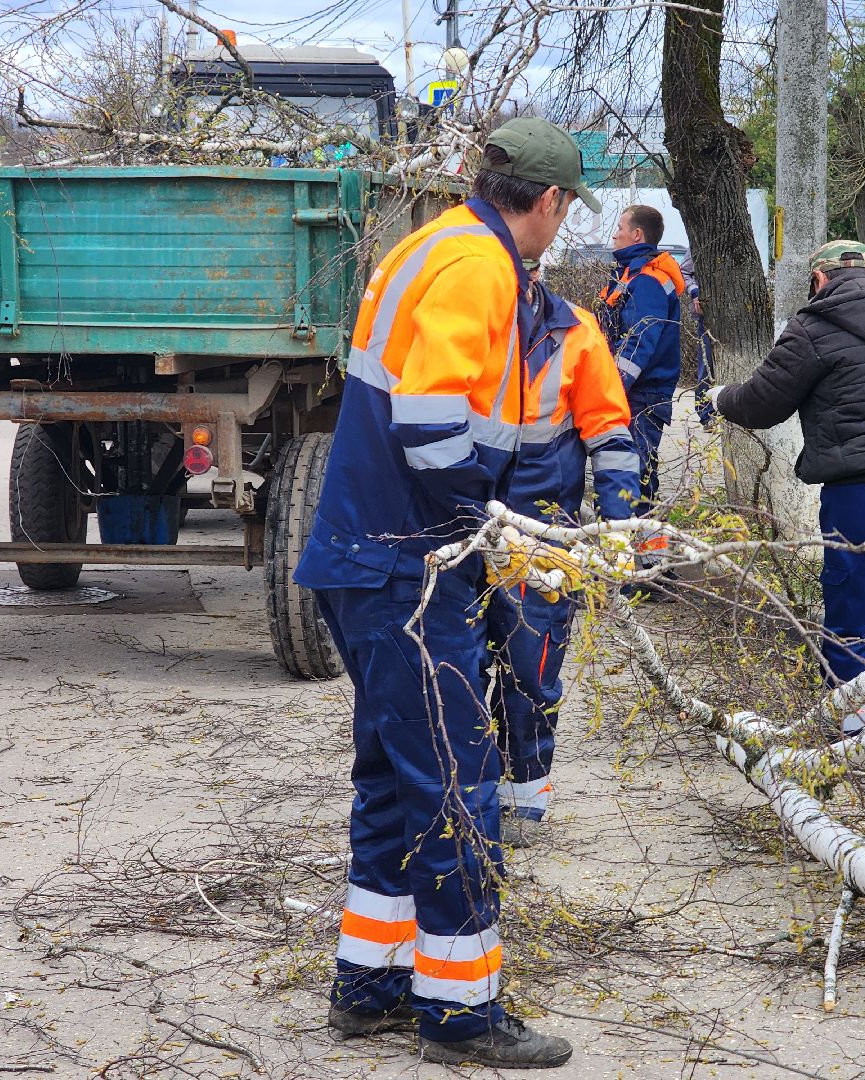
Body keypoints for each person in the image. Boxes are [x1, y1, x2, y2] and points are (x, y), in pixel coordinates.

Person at [293, 117, 601, 1070]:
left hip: (373, 560)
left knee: (395, 778)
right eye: (563, 212)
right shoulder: (481, 267)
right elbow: (431, 426)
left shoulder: (430, 245)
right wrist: (494, 523)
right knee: (459, 788)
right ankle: (462, 1014)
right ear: (548, 203)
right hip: (410, 568)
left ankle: (371, 984)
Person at [706, 241, 865, 731]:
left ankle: (854, 727)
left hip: (857, 492)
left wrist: (719, 398)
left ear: (819, 279)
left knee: (851, 607)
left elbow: (764, 402)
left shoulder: (814, 327)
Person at [487, 259, 640, 845]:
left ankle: (524, 799)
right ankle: (466, 794)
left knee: (532, 666)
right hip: (464, 525)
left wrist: (619, 526)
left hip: (542, 533)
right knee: (457, 664)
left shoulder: (577, 333)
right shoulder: (465, 325)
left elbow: (610, 432)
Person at [598, 205, 686, 509]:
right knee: (637, 472)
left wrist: (612, 387)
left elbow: (638, 342)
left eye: (620, 228)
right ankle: (647, 550)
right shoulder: (631, 274)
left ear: (636, 234)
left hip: (642, 396)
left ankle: (644, 551)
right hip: (637, 394)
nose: (614, 234)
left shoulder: (647, 281)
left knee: (634, 474)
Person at [679, 252, 717, 430]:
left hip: (735, 316)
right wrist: (695, 292)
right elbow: (684, 272)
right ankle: (706, 415)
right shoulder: (700, 243)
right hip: (707, 315)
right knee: (707, 365)